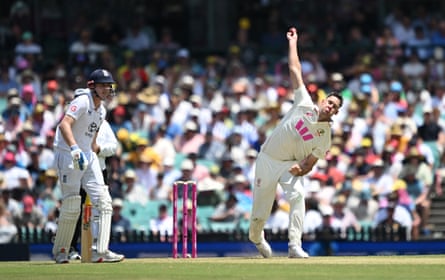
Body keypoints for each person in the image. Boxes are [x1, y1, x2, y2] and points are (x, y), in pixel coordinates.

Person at [249, 27, 343, 259]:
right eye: (329, 102)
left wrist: (300, 168)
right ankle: (256, 237)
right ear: (323, 101)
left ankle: (294, 246)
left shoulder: (325, 136)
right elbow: (295, 69)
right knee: (260, 211)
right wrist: (293, 42)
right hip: (268, 159)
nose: (329, 106)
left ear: (336, 113)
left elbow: (311, 163)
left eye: (334, 107)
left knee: (298, 196)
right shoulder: (304, 104)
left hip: (290, 165)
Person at [51, 68, 124, 264]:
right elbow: (64, 125)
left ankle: (100, 251)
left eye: (109, 85)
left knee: (104, 200)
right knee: (72, 204)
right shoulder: (82, 101)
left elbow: (92, 138)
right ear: (92, 86)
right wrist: (74, 149)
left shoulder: (102, 110)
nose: (107, 89)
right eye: (103, 85)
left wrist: (91, 153)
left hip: (87, 156)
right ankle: (61, 251)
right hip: (68, 155)